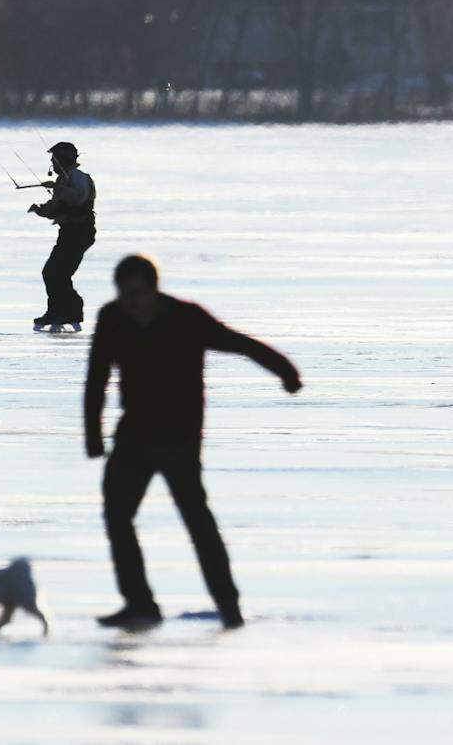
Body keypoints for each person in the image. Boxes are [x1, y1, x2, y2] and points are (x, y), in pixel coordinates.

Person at [84, 255, 302, 630]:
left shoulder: (185, 318)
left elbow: (239, 343)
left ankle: (228, 607)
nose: (129, 302)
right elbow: (97, 378)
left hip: (178, 438)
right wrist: (93, 434)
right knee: (118, 517)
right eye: (123, 294)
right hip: (133, 435)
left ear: (154, 289)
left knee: (197, 521)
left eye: (136, 294)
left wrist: (286, 371)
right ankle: (139, 604)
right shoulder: (112, 319)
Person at [29, 141, 96, 330]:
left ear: (63, 159)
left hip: (80, 232)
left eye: (54, 159)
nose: (52, 163)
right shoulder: (64, 180)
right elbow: (56, 207)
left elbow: (78, 198)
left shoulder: (78, 178)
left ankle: (71, 312)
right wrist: (39, 210)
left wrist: (57, 188)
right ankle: (56, 311)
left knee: (57, 273)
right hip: (68, 232)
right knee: (52, 273)